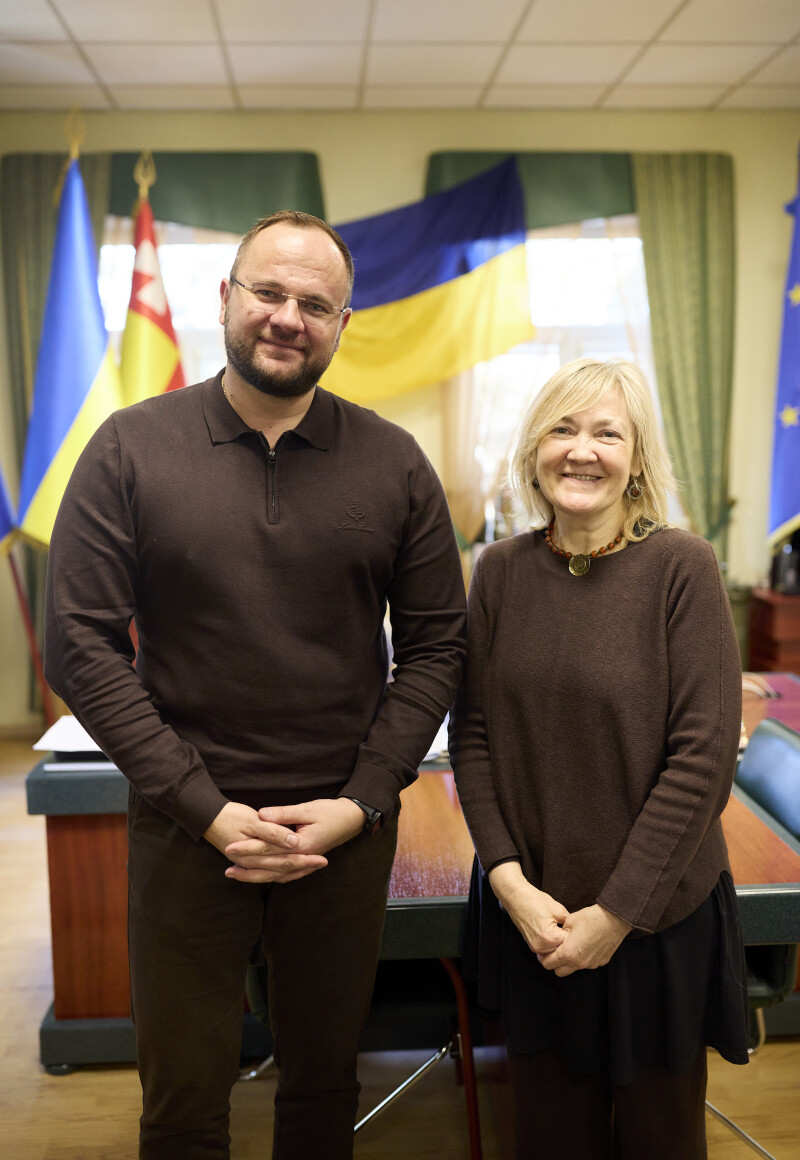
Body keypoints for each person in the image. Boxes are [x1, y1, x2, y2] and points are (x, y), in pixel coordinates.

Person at [44, 210, 467, 1160]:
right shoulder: (129, 449)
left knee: (324, 1089)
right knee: (183, 1101)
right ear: (225, 298)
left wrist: (362, 802)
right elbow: (79, 647)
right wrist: (205, 809)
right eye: (268, 293)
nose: (287, 317)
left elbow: (439, 647)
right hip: (186, 830)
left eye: (314, 304)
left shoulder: (394, 462)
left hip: (341, 838)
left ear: (343, 324)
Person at [449, 357, 749, 1160]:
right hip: (535, 919)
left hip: (655, 922)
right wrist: (509, 883)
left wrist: (615, 916)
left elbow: (702, 761)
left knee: (659, 1141)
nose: (582, 451)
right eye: (563, 429)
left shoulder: (682, 567)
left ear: (638, 459)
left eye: (607, 434)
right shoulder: (498, 572)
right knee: (549, 1138)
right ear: (534, 451)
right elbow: (471, 734)